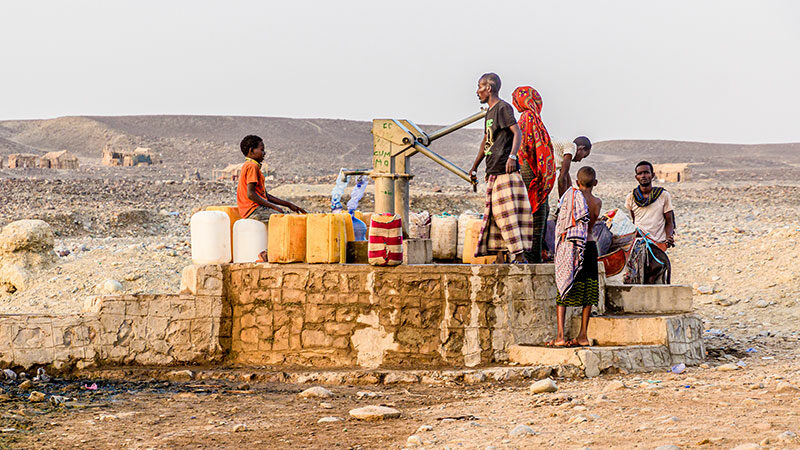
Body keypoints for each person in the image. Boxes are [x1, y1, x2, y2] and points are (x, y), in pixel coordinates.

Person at [469, 73, 533, 264]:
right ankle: (499, 255)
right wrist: (474, 167)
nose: (477, 91)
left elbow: (517, 132)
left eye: (480, 87)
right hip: (493, 171)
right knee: (495, 216)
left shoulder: (503, 108)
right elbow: (487, 141)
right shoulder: (489, 112)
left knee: (508, 215)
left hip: (506, 171)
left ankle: (520, 256)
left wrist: (512, 156)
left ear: (489, 88)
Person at [549, 166, 602, 347]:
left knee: (564, 286)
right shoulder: (597, 202)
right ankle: (582, 335)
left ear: (577, 183)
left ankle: (561, 336)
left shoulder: (571, 198)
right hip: (590, 246)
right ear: (595, 183)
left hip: (571, 247)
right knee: (588, 291)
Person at [511, 86, 556, 263]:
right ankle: (533, 262)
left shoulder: (526, 119)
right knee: (536, 225)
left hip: (530, 180)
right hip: (535, 180)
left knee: (532, 224)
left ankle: (531, 263)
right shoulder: (533, 119)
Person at [623, 161, 674, 284]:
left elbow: (669, 221)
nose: (643, 176)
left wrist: (668, 238)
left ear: (652, 175)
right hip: (639, 244)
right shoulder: (631, 197)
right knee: (635, 280)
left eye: (646, 172)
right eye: (640, 173)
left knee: (657, 281)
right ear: (636, 177)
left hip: (658, 244)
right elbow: (635, 221)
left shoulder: (663, 195)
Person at [237, 135, 306, 224]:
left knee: (285, 214)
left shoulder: (250, 166)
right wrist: (274, 207)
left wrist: (288, 204)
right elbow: (251, 194)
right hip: (253, 210)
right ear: (251, 150)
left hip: (254, 209)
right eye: (261, 150)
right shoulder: (252, 166)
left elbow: (265, 196)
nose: (264, 153)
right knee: (287, 220)